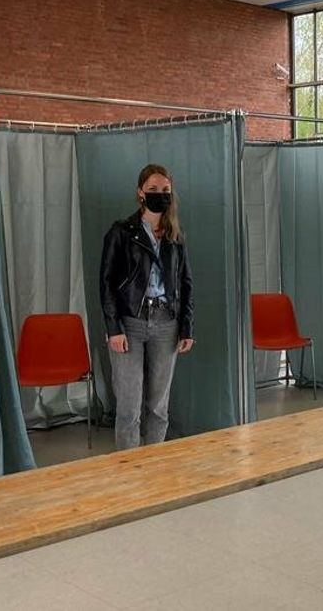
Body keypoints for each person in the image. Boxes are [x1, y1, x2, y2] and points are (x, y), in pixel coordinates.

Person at [100, 164, 194, 450]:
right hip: (131, 323)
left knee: (158, 406)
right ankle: (129, 474)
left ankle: (154, 469)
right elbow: (106, 283)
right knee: (129, 407)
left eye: (165, 190)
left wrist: (186, 326)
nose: (159, 195)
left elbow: (185, 282)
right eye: (153, 189)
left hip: (167, 324)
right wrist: (113, 328)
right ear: (140, 193)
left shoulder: (174, 236)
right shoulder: (121, 232)